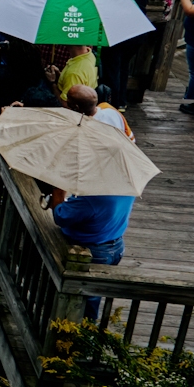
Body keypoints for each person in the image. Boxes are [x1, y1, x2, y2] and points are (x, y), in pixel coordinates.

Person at [47, 84, 137, 317]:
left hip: (93, 249)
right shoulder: (124, 182)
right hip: (116, 244)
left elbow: (60, 216)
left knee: (85, 300)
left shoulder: (92, 200)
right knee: (94, 293)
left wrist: (58, 187)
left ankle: (80, 336)